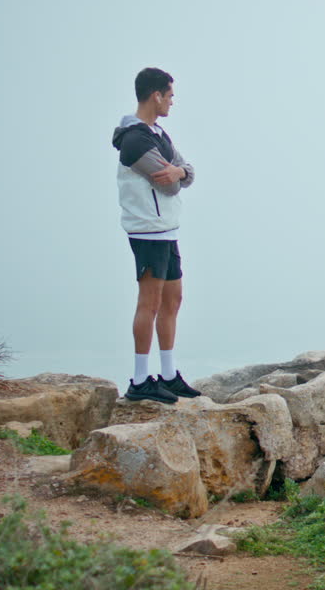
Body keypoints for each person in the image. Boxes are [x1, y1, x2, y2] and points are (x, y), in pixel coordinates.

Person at [111, 67, 202, 403]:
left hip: (166, 229)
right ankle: (139, 380)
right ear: (156, 95)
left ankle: (168, 374)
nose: (172, 102)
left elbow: (186, 171)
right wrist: (178, 173)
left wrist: (179, 171)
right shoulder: (135, 140)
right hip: (147, 230)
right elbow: (170, 185)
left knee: (173, 300)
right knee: (149, 303)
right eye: (170, 96)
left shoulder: (158, 134)